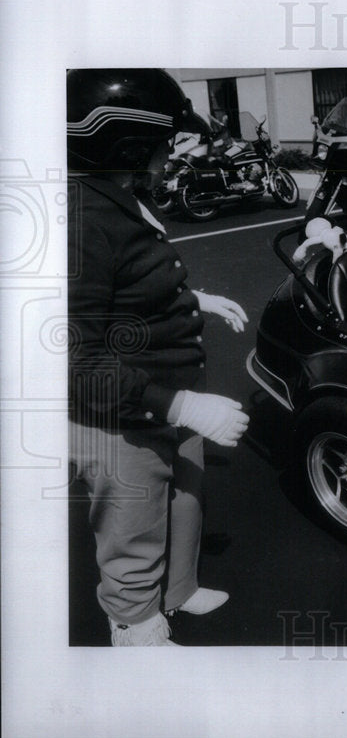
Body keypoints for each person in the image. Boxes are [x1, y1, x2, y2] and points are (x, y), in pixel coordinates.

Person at [67, 69, 250, 646]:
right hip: (127, 414)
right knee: (133, 529)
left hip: (173, 393)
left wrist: (193, 297)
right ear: (126, 138)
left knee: (188, 497)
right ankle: (136, 627)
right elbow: (73, 359)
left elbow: (127, 290)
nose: (173, 153)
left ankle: (180, 589)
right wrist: (179, 406)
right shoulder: (82, 219)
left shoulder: (122, 193)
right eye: (167, 140)